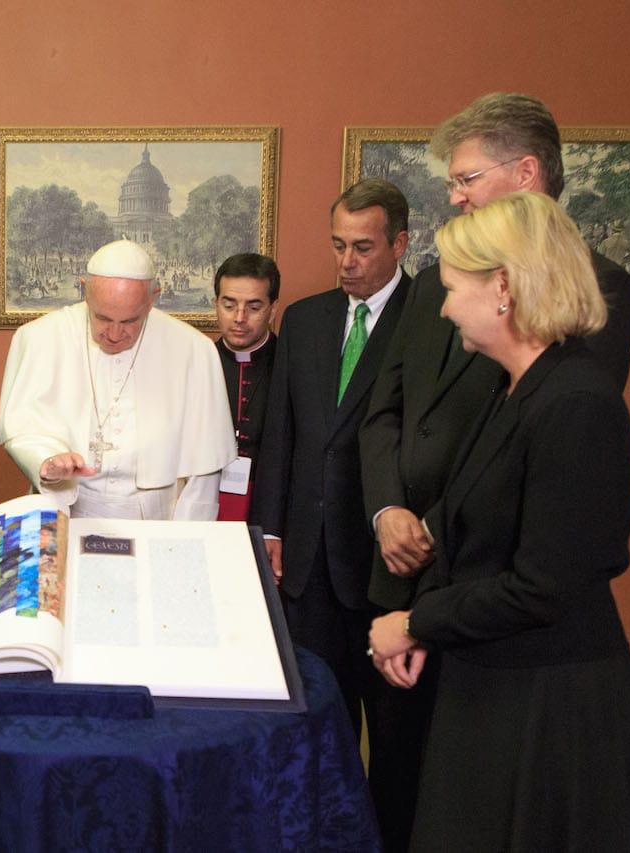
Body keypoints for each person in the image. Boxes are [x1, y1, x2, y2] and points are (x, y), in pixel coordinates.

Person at [359, 91, 630, 851]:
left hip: (548, 700)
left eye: (453, 291)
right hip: (483, 664)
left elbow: (546, 579)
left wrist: (418, 619)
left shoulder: (572, 400)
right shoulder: (523, 385)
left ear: (505, 289)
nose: (443, 309)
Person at [251, 179, 411, 816]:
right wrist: (270, 529)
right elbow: (281, 435)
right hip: (308, 564)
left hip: (385, 565)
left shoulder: (429, 318)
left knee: (395, 738)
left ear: (400, 244)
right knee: (317, 721)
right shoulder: (308, 318)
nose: (347, 262)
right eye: (339, 246)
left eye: (363, 248)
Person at [0, 239, 236, 520]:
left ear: (153, 298)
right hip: (66, 509)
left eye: (130, 321)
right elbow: (21, 427)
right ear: (85, 291)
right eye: (103, 318)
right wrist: (46, 458)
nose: (114, 333)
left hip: (157, 517)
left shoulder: (194, 349)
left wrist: (186, 538)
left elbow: (203, 472)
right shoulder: (39, 338)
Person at [212, 252, 280, 521]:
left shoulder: (291, 364)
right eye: (229, 306)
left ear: (272, 310)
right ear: (215, 303)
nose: (240, 318)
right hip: (208, 501)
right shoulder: (197, 362)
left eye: (253, 307)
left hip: (269, 504)